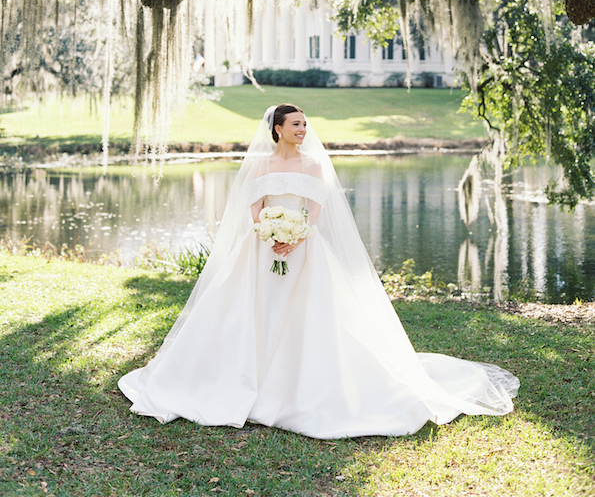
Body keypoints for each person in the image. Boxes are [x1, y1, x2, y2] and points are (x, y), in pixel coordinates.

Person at [118, 104, 519, 439]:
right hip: (261, 252)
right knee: (250, 313)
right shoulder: (260, 166)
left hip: (305, 251)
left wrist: (295, 237)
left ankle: (298, 388)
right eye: (296, 125)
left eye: (305, 125)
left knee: (308, 318)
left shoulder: (312, 165)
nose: (303, 130)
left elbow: (315, 210)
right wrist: (266, 232)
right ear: (277, 129)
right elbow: (254, 207)